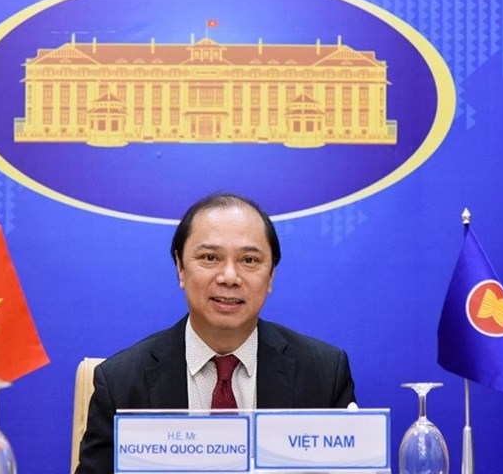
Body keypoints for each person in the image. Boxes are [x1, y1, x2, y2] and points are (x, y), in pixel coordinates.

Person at [75, 193, 356, 474]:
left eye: (249, 260)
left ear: (271, 275)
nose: (229, 277)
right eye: (210, 257)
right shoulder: (121, 383)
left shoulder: (323, 374)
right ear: (180, 267)